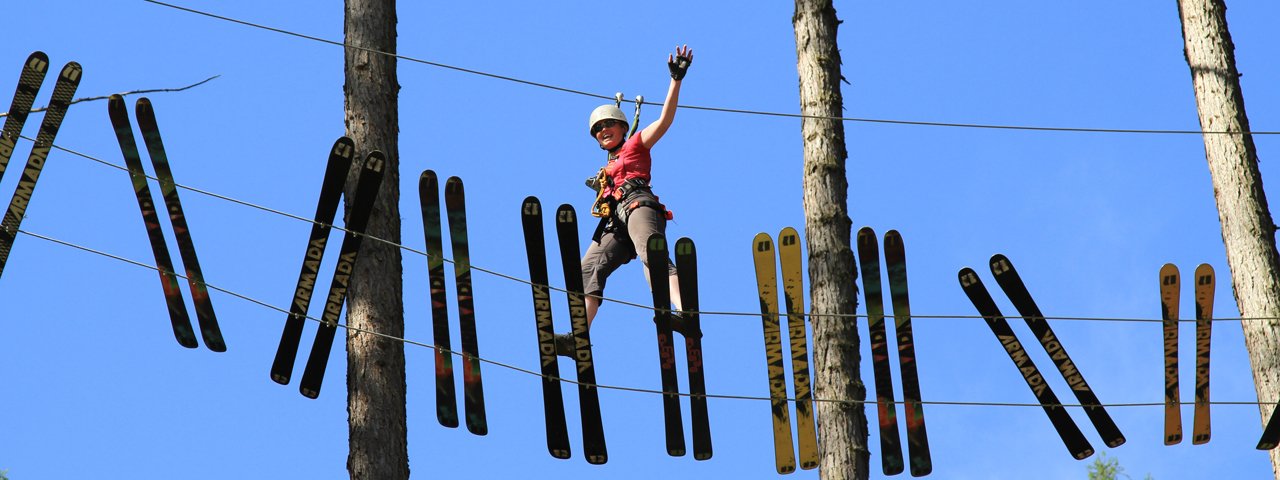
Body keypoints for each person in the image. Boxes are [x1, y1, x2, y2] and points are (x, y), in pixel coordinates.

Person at [556, 45, 695, 356]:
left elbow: (665, 121)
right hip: (615, 221)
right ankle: (579, 336)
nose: (603, 130)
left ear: (622, 127)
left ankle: (685, 313)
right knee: (587, 270)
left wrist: (676, 80)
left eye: (608, 125)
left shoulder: (635, 145)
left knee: (653, 255)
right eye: (597, 129)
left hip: (638, 206)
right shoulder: (606, 167)